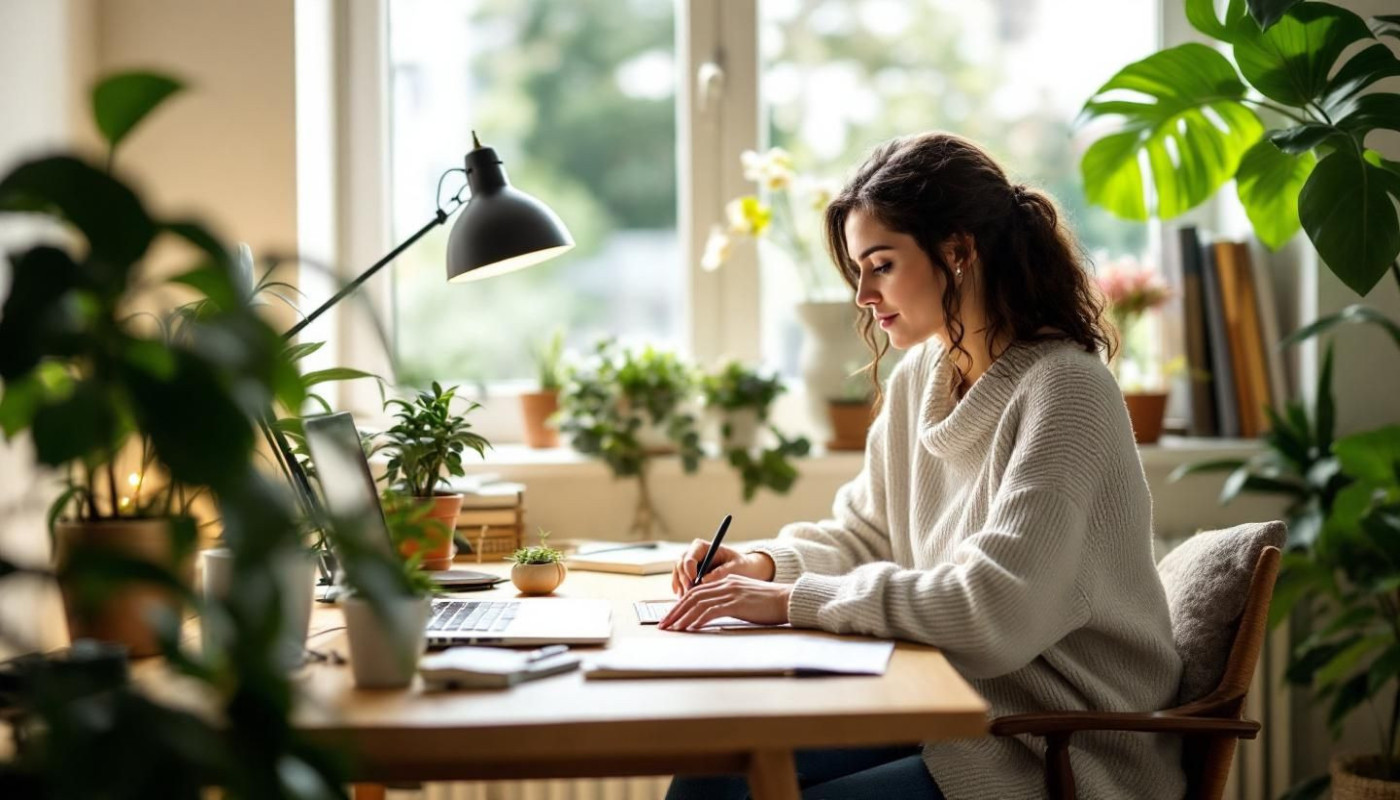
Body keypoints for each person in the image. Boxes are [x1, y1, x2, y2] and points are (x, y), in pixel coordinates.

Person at [661, 132, 1184, 800]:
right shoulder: (921, 378)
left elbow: (992, 612)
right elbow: (867, 536)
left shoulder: (1067, 391)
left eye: (881, 265)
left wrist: (791, 601)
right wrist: (762, 566)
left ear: (959, 252)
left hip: (1056, 749)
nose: (863, 295)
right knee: (711, 775)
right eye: (858, 269)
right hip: (949, 710)